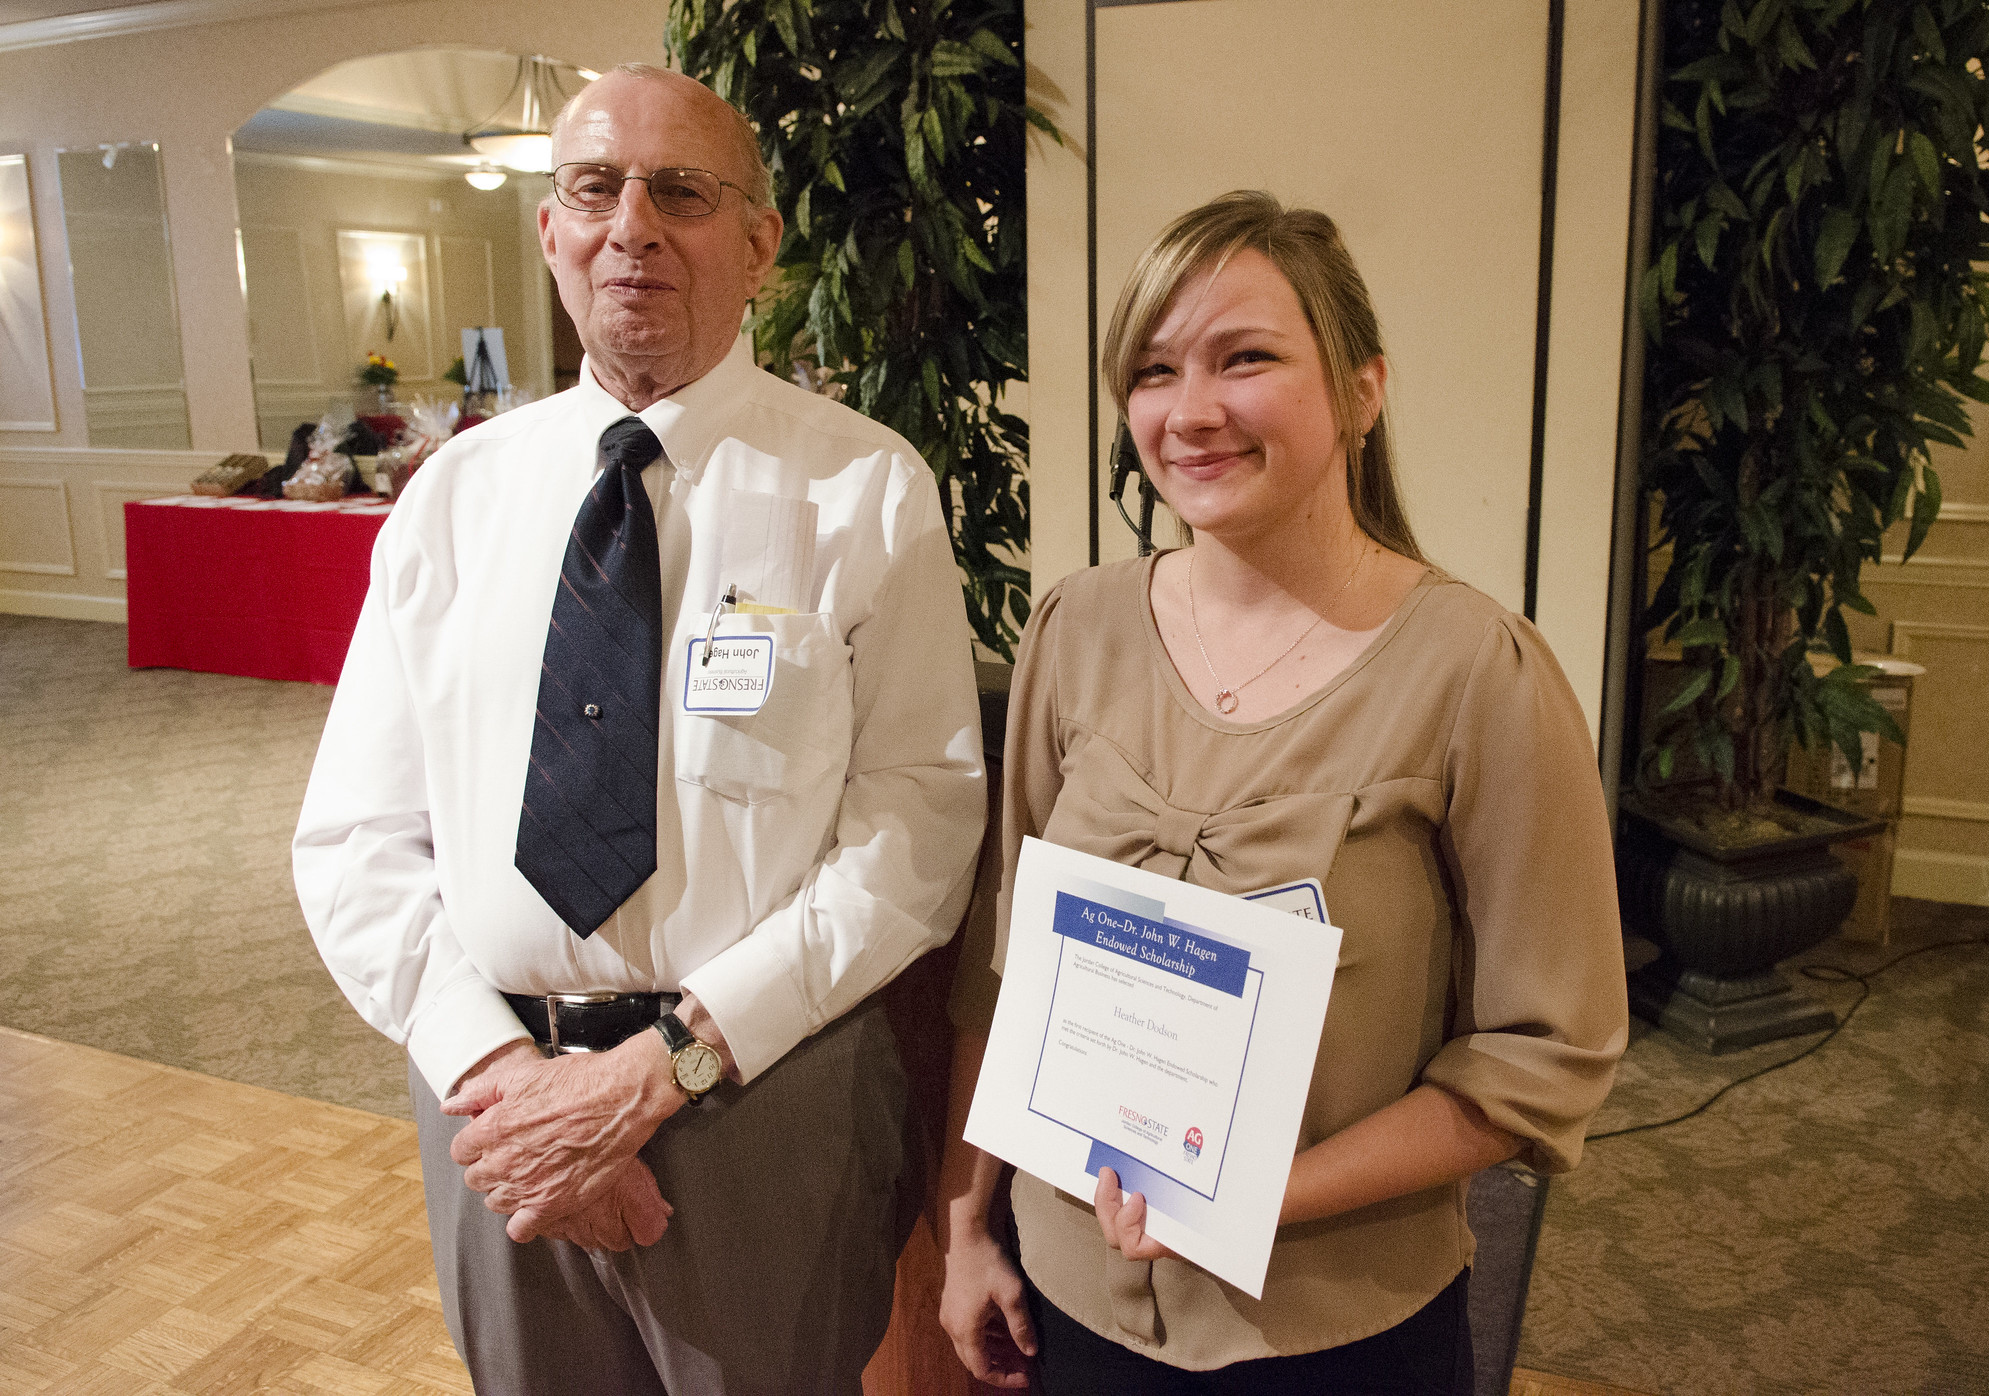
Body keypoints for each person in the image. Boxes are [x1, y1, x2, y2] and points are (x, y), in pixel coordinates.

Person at [293, 64, 987, 1396]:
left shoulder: (864, 491)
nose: (633, 226)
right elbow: (354, 839)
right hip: (490, 1099)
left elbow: (918, 827)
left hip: (761, 1102)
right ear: (551, 230)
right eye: (594, 189)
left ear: (761, 244)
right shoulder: (452, 501)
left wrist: (658, 1073)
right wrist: (500, 1075)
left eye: (681, 191)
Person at [935, 191, 1629, 1395]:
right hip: (1066, 1298)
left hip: (1326, 1328)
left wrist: (1246, 1194)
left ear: (1362, 389)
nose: (1189, 410)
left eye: (1243, 358)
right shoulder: (1076, 628)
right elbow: (1006, 972)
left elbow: (1541, 1057)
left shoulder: (1477, 672)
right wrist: (966, 1228)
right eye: (1152, 371)